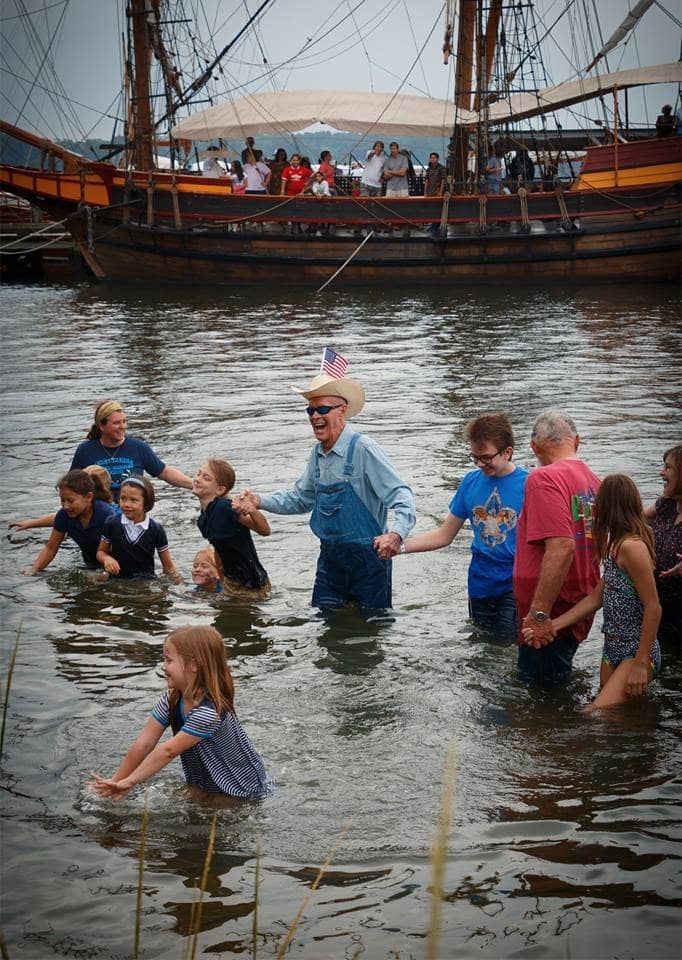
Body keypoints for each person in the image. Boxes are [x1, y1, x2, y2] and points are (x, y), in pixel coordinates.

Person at [234, 365, 416, 610]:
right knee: (324, 629)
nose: (314, 416)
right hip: (330, 560)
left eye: (322, 409)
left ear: (342, 411)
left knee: (371, 632)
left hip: (370, 561)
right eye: (310, 410)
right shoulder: (317, 455)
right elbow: (300, 498)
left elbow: (401, 495)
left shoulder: (364, 449)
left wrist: (396, 535)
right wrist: (258, 500)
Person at [382, 413, 527, 641]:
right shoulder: (470, 482)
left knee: (503, 647)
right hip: (480, 581)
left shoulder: (530, 485)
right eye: (475, 458)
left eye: (487, 458)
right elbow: (444, 535)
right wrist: (399, 547)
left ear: (507, 451)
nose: (480, 464)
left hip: (515, 583)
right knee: (481, 645)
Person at [88, 625, 272, 800]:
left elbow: (168, 751)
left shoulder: (209, 713)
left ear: (194, 665)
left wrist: (130, 782)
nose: (163, 666)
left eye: (169, 660)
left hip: (240, 790)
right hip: (204, 782)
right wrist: (116, 781)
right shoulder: (172, 700)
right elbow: (144, 743)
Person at [528, 475, 661, 710]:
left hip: (637, 650)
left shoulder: (632, 547)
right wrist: (550, 626)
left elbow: (653, 607)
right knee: (620, 717)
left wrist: (641, 663)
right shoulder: (615, 545)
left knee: (595, 716)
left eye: (597, 504)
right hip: (612, 648)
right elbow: (594, 599)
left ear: (609, 507)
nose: (593, 511)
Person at [513, 410, 601, 684]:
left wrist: (539, 614)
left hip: (551, 611)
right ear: (577, 441)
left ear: (534, 447)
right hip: (578, 601)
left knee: (538, 696)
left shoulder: (543, 478)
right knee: (556, 681)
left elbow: (563, 546)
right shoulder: (595, 481)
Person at [70, 399, 193, 501]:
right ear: (102, 426)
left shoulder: (138, 447)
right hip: (98, 514)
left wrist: (194, 485)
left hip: (131, 511)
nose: (123, 426)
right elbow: (70, 486)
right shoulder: (85, 450)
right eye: (117, 423)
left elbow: (165, 472)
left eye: (124, 421)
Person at [192, 459, 271, 599]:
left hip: (251, 585)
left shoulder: (226, 508)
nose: (197, 479)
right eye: (198, 474)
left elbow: (265, 530)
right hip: (230, 582)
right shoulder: (203, 519)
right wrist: (222, 580)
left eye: (206, 478)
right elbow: (218, 549)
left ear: (220, 489)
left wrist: (251, 509)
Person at [24, 469, 117, 574]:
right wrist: (33, 570)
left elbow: (119, 549)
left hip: (113, 562)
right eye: (62, 500)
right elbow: (50, 548)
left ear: (88, 497)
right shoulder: (64, 516)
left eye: (70, 501)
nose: (66, 506)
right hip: (90, 563)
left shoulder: (106, 515)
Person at [96, 476, 180, 581]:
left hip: (145, 584)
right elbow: (100, 552)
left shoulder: (156, 530)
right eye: (123, 498)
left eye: (133, 500)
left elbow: (168, 566)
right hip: (117, 581)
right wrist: (106, 559)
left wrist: (179, 585)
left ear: (146, 504)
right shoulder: (112, 523)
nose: (126, 504)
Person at [645, 445, 682, 651]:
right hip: (658, 610)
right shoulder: (665, 505)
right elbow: (635, 518)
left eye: (668, 468)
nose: (662, 472)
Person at [9, 464, 118, 532]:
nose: (66, 506)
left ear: (89, 495)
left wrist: (31, 523)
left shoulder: (110, 512)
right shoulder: (74, 510)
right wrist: (30, 524)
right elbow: (57, 519)